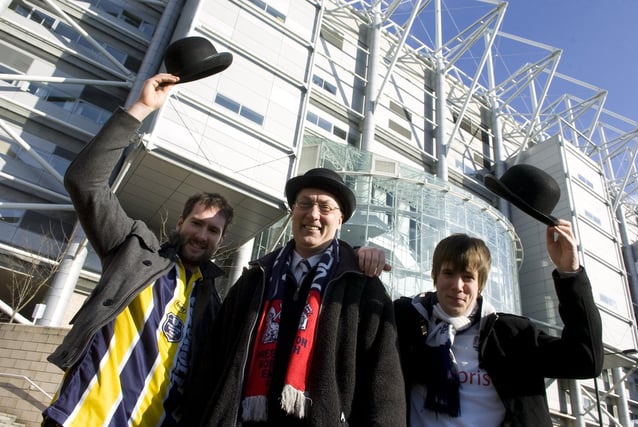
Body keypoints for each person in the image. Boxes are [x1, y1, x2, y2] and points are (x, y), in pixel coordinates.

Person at [41, 73, 391, 427]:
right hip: (83, 419)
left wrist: (354, 257)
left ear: (221, 241)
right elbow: (85, 182)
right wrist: (141, 109)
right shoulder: (134, 253)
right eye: (196, 223)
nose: (201, 235)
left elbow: (382, 385)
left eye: (212, 230)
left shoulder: (214, 301)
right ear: (179, 223)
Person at [183, 167, 406, 426]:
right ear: (292, 211)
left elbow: (384, 386)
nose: (313, 214)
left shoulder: (362, 288)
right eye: (305, 204)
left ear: (340, 219)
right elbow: (212, 363)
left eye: (325, 207)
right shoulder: (255, 280)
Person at [394, 223, 603, 426]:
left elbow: (585, 360)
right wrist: (362, 261)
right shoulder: (405, 321)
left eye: (468, 277)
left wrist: (570, 273)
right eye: (448, 273)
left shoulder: (512, 336)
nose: (457, 286)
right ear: (435, 277)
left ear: (480, 284)